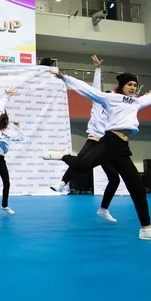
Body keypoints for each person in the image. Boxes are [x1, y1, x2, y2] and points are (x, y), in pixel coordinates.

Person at [44, 70, 151, 241]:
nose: (132, 88)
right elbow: (88, 90)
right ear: (122, 86)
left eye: (134, 85)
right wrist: (66, 78)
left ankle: (146, 230)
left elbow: (145, 100)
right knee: (82, 166)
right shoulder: (111, 98)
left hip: (122, 148)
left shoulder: (135, 102)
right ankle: (61, 155)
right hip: (110, 142)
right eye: (129, 85)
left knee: (137, 188)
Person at [47, 56, 122, 223]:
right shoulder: (97, 104)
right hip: (94, 140)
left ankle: (103, 209)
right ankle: (62, 182)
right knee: (80, 162)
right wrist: (97, 70)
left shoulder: (114, 113)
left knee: (114, 178)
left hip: (107, 146)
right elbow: (95, 88)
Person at [0, 110, 24, 215]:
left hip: (0, 159)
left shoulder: (10, 133)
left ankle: (4, 205)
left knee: (6, 182)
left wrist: (19, 126)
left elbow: (21, 137)